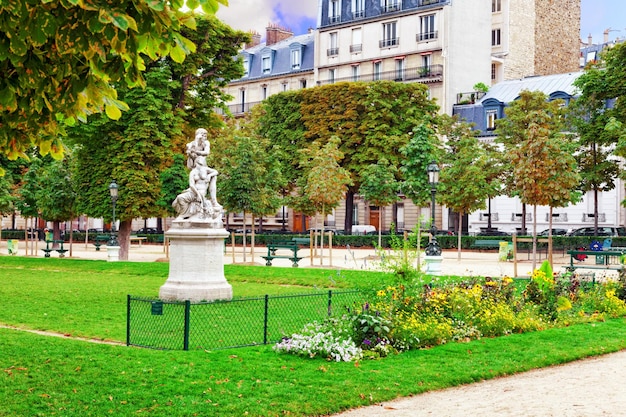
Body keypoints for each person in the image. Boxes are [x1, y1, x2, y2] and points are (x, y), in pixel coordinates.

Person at [173, 155, 220, 219]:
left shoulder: (205, 169)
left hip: (202, 191)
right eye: (199, 163)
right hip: (194, 191)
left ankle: (183, 215)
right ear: (196, 163)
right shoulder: (193, 172)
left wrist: (209, 175)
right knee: (179, 198)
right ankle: (184, 214)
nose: (200, 164)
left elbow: (216, 172)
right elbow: (191, 185)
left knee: (180, 198)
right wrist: (197, 194)